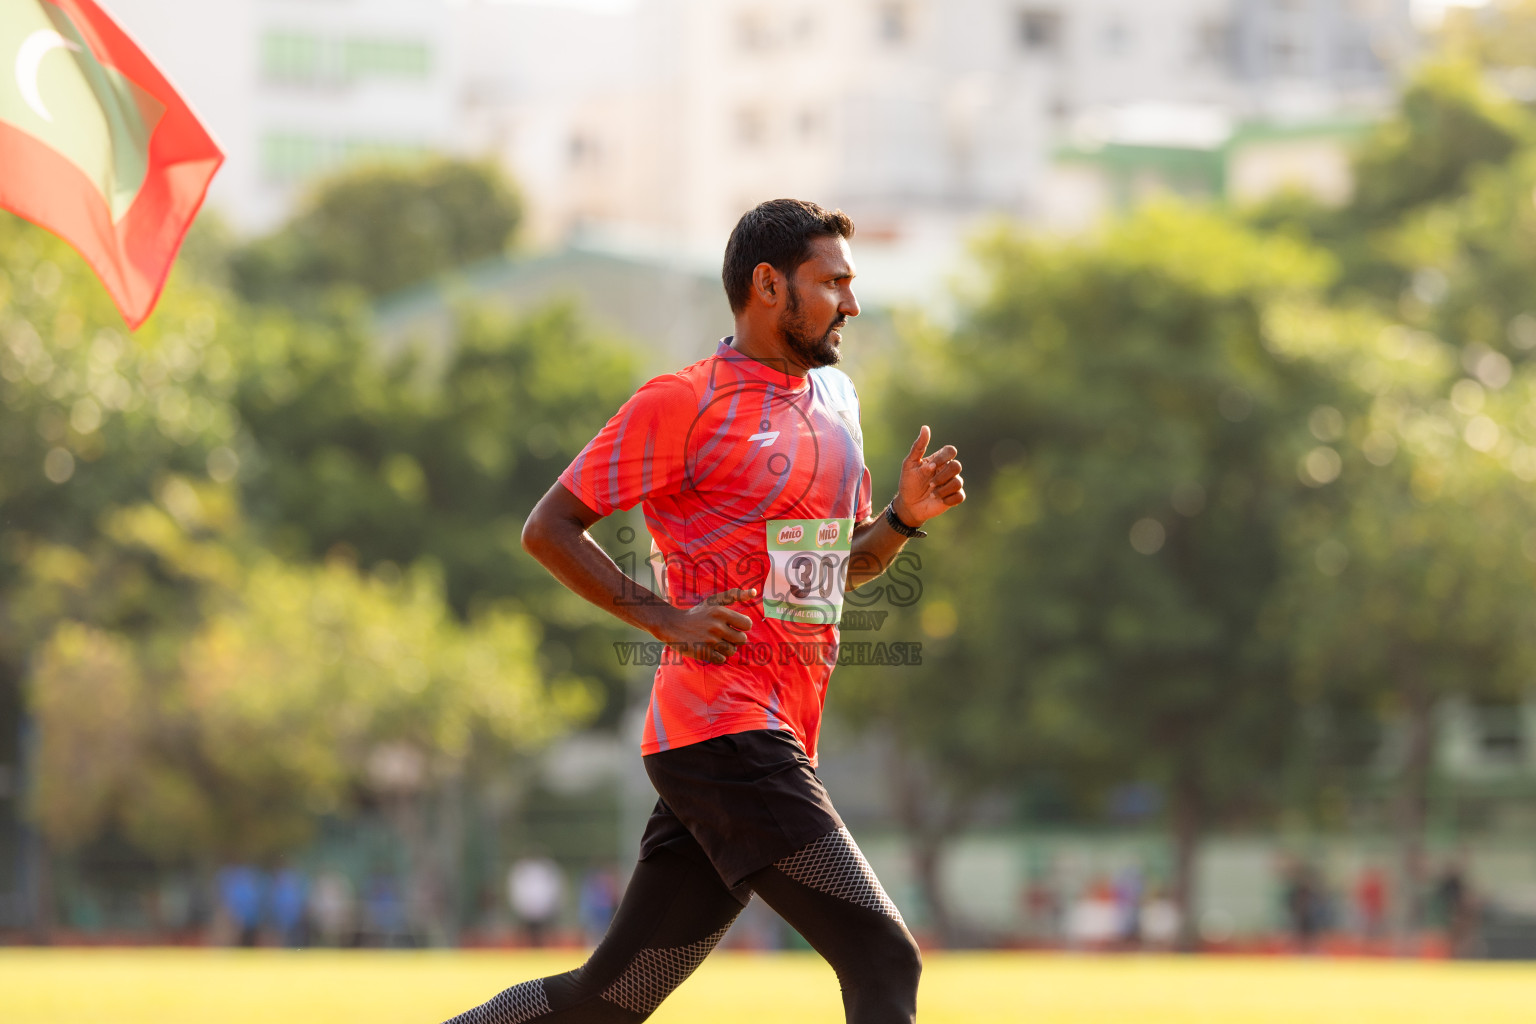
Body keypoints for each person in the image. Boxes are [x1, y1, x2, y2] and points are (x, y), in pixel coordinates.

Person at [440, 199, 965, 1024]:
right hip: (724, 731)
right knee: (881, 955)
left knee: (604, 1002)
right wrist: (666, 619)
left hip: (754, 739)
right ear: (768, 285)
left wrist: (899, 521)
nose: (851, 304)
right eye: (832, 284)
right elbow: (548, 528)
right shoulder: (683, 401)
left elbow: (830, 576)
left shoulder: (838, 402)